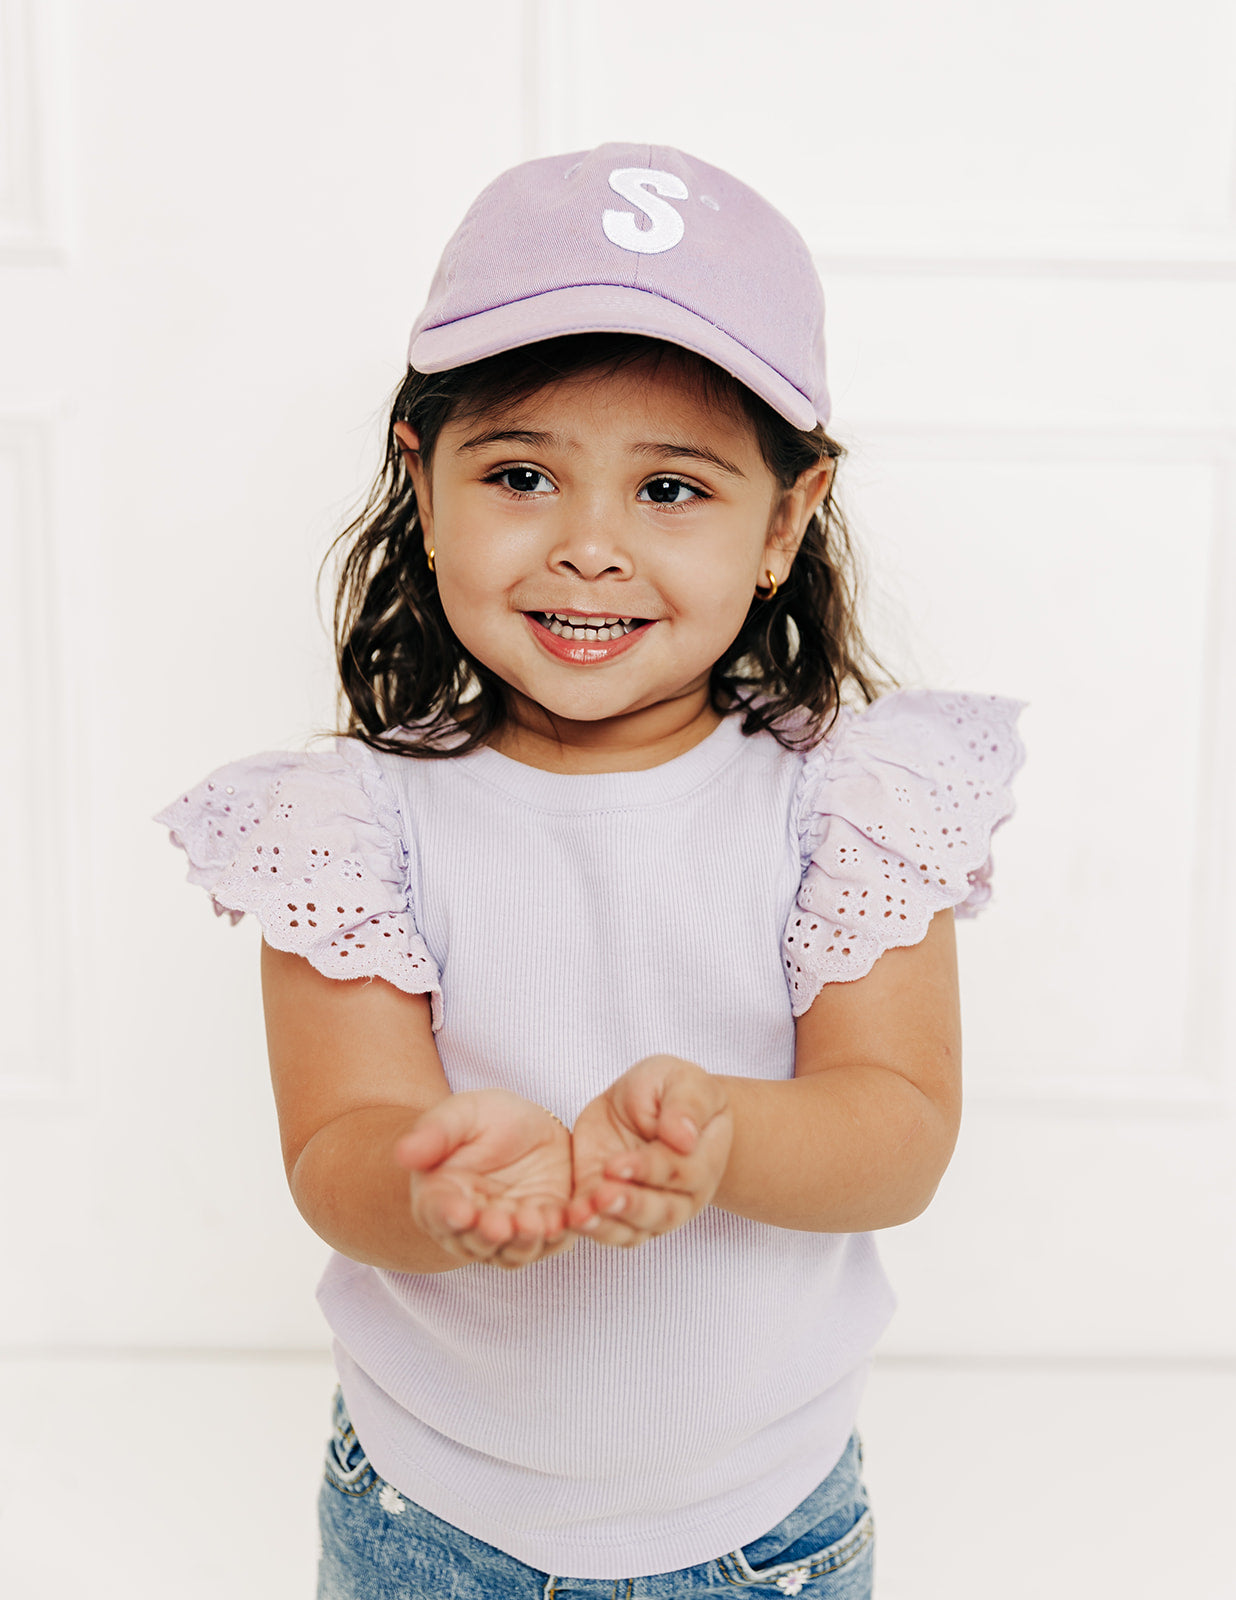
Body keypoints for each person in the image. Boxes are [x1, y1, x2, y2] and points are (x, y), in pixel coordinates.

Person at [154, 142, 1025, 1598]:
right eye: (520, 475)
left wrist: (729, 1138)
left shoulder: (851, 806)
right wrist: (427, 1189)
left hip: (767, 1535)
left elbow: (900, 1128)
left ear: (787, 520)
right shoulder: (349, 830)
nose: (591, 549)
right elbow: (336, 1143)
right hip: (431, 1528)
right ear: (422, 489)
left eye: (672, 489)